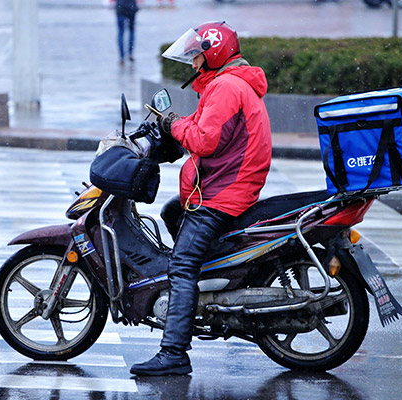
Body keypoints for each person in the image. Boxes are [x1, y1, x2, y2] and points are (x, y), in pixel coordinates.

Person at [129, 21, 272, 376]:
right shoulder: (229, 84)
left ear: (213, 55)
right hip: (226, 187)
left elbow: (206, 140)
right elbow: (202, 125)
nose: (192, 65)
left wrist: (173, 124)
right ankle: (205, 285)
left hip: (224, 194)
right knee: (172, 211)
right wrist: (173, 128)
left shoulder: (225, 87)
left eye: (196, 57)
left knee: (181, 265)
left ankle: (174, 352)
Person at [115, 0, 138, 65]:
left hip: (121, 8)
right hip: (131, 7)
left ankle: (121, 57)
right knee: (131, 31)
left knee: (121, 32)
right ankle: (130, 53)